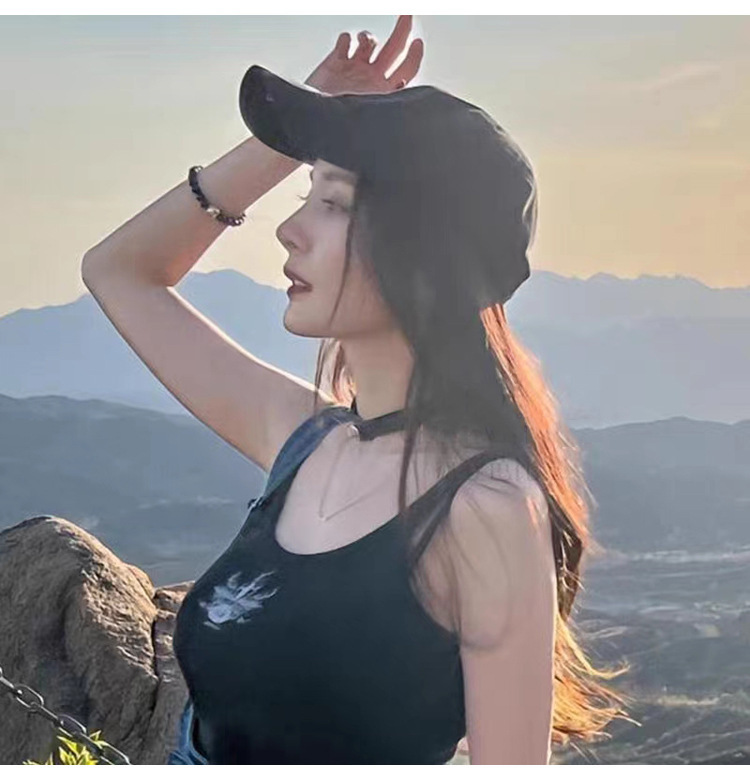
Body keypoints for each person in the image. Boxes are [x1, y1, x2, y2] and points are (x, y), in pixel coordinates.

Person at [82, 16, 630, 765]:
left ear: (425, 252)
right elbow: (118, 271)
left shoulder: (485, 507)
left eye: (333, 204)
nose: (288, 229)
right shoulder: (306, 441)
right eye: (306, 194)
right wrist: (296, 130)